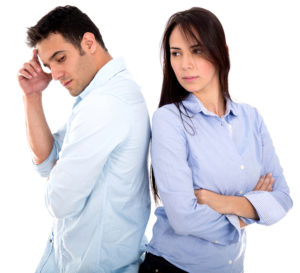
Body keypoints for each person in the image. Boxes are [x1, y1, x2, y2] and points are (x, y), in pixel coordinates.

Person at [139, 7, 293, 273]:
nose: (185, 64)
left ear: (223, 52)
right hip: (172, 267)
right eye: (176, 53)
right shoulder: (169, 120)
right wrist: (253, 210)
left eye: (196, 50)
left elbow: (282, 198)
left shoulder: (250, 117)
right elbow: (183, 218)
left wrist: (222, 202)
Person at [18, 5, 150, 273]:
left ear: (88, 43)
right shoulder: (95, 96)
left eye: (60, 58)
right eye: (48, 65)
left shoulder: (106, 103)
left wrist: (58, 172)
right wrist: (32, 96)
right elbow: (47, 163)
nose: (54, 75)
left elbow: (58, 200)